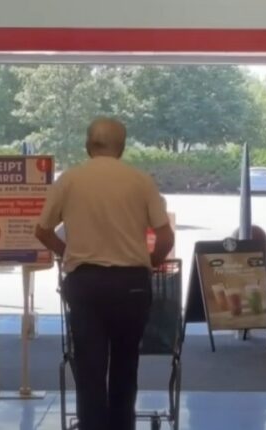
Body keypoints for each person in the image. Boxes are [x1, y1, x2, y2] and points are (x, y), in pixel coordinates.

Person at [35, 117, 174, 430]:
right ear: (122, 148)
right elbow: (166, 238)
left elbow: (42, 230)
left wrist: (67, 253)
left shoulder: (69, 180)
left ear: (87, 146)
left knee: (90, 370)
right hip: (131, 286)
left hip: (86, 285)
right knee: (126, 366)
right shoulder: (141, 181)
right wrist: (148, 262)